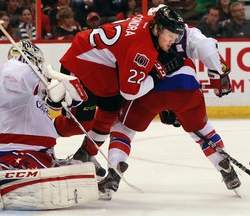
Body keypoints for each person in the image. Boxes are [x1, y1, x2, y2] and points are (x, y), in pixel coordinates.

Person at [97, 5, 240, 196]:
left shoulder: (144, 31)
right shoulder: (188, 32)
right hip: (186, 88)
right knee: (202, 130)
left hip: (150, 90)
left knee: (123, 128)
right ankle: (226, 169)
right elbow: (207, 46)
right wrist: (218, 76)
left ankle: (114, 170)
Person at [46, 5, 186, 178]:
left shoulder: (150, 21)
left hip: (104, 71)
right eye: (170, 36)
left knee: (110, 112)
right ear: (158, 28)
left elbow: (154, 10)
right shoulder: (141, 51)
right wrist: (157, 76)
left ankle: (86, 155)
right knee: (80, 123)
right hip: (80, 65)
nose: (173, 40)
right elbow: (130, 92)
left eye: (176, 36)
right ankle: (38, 139)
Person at [0, 39, 98, 211]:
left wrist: (77, 114)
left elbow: (44, 119)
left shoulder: (26, 92)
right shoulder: (12, 69)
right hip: (12, 152)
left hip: (36, 152)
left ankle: (10, 180)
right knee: (59, 180)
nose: (39, 67)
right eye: (38, 62)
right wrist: (51, 85)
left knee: (82, 171)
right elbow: (31, 79)